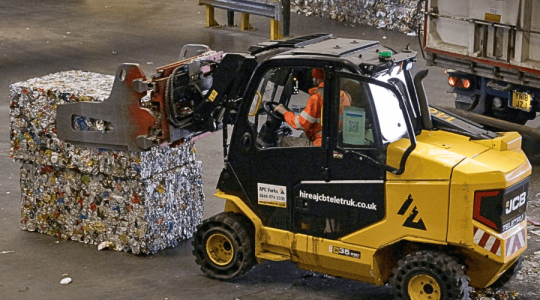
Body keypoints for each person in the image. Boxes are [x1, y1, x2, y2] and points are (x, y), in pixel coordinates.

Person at [274, 68, 350, 147]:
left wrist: (285, 112)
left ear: (318, 80)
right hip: (337, 143)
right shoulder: (344, 96)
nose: (312, 80)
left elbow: (300, 123)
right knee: (303, 135)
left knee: (281, 141)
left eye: (313, 78)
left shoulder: (317, 97)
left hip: (320, 145)